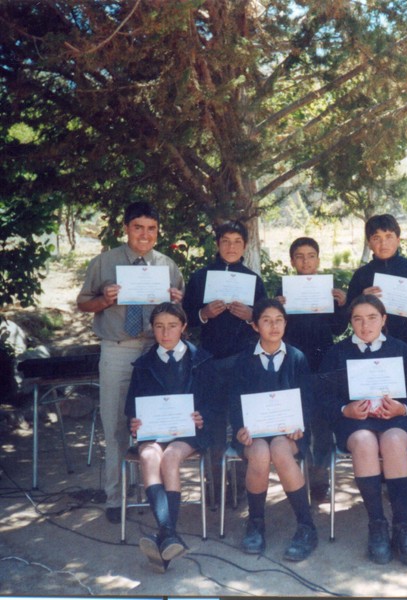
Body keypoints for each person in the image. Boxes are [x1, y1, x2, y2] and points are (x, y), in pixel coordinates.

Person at [77, 201, 184, 524]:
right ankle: (115, 496)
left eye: (151, 229)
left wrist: (177, 302)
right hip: (119, 349)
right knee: (116, 424)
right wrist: (104, 299)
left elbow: (180, 317)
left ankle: (152, 491)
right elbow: (83, 304)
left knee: (156, 423)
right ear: (126, 228)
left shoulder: (168, 266)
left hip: (156, 351)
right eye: (138, 227)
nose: (145, 234)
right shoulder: (104, 262)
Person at [319, 294, 407, 566]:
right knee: (365, 442)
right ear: (350, 322)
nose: (365, 326)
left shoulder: (401, 350)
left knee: (392, 442)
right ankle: (377, 524)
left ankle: (403, 525)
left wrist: (402, 409)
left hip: (393, 419)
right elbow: (324, 399)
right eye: (358, 319)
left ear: (384, 319)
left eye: (372, 318)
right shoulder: (337, 353)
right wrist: (345, 410)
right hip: (354, 421)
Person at [346, 213, 407, 502]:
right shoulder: (362, 275)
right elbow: (347, 317)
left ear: (399, 238)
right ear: (369, 243)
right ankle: (389, 472)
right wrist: (360, 298)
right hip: (372, 351)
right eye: (376, 238)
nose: (383, 242)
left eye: (388, 236)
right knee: (378, 405)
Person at [124, 302, 215, 573]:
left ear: (184, 327)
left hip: (188, 432)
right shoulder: (143, 364)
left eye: (172, 326)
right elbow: (132, 405)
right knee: (148, 455)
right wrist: (134, 421)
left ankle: (165, 533)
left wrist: (202, 416)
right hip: (153, 431)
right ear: (152, 329)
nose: (166, 332)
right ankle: (168, 535)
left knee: (171, 457)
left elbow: (213, 402)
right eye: (159, 327)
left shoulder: (202, 360)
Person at [182, 220, 267, 498]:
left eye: (237, 242)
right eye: (226, 241)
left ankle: (243, 485)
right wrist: (204, 313)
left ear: (245, 246)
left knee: (244, 423)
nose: (231, 247)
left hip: (243, 360)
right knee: (212, 423)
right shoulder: (201, 277)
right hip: (210, 361)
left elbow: (266, 319)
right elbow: (186, 319)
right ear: (218, 245)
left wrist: (250, 315)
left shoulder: (253, 279)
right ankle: (215, 486)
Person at [228, 298, 318, 561]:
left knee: (278, 449)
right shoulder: (243, 360)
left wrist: (299, 426)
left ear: (286, 324)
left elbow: (306, 400)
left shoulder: (297, 357)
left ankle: (306, 526)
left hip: (289, 432)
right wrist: (240, 430)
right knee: (258, 453)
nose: (273, 325)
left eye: (279, 320)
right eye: (266, 320)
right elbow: (236, 401)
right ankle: (256, 522)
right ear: (255, 326)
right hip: (253, 431)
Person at [276, 236, 349, 501]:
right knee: (297, 418)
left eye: (310, 256)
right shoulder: (283, 290)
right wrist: (278, 307)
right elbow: (275, 328)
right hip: (294, 362)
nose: (305, 261)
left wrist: (342, 305)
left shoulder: (329, 289)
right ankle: (296, 475)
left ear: (318, 259)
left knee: (321, 419)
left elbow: (339, 329)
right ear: (292, 261)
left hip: (323, 360)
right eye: (299, 256)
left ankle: (320, 479)